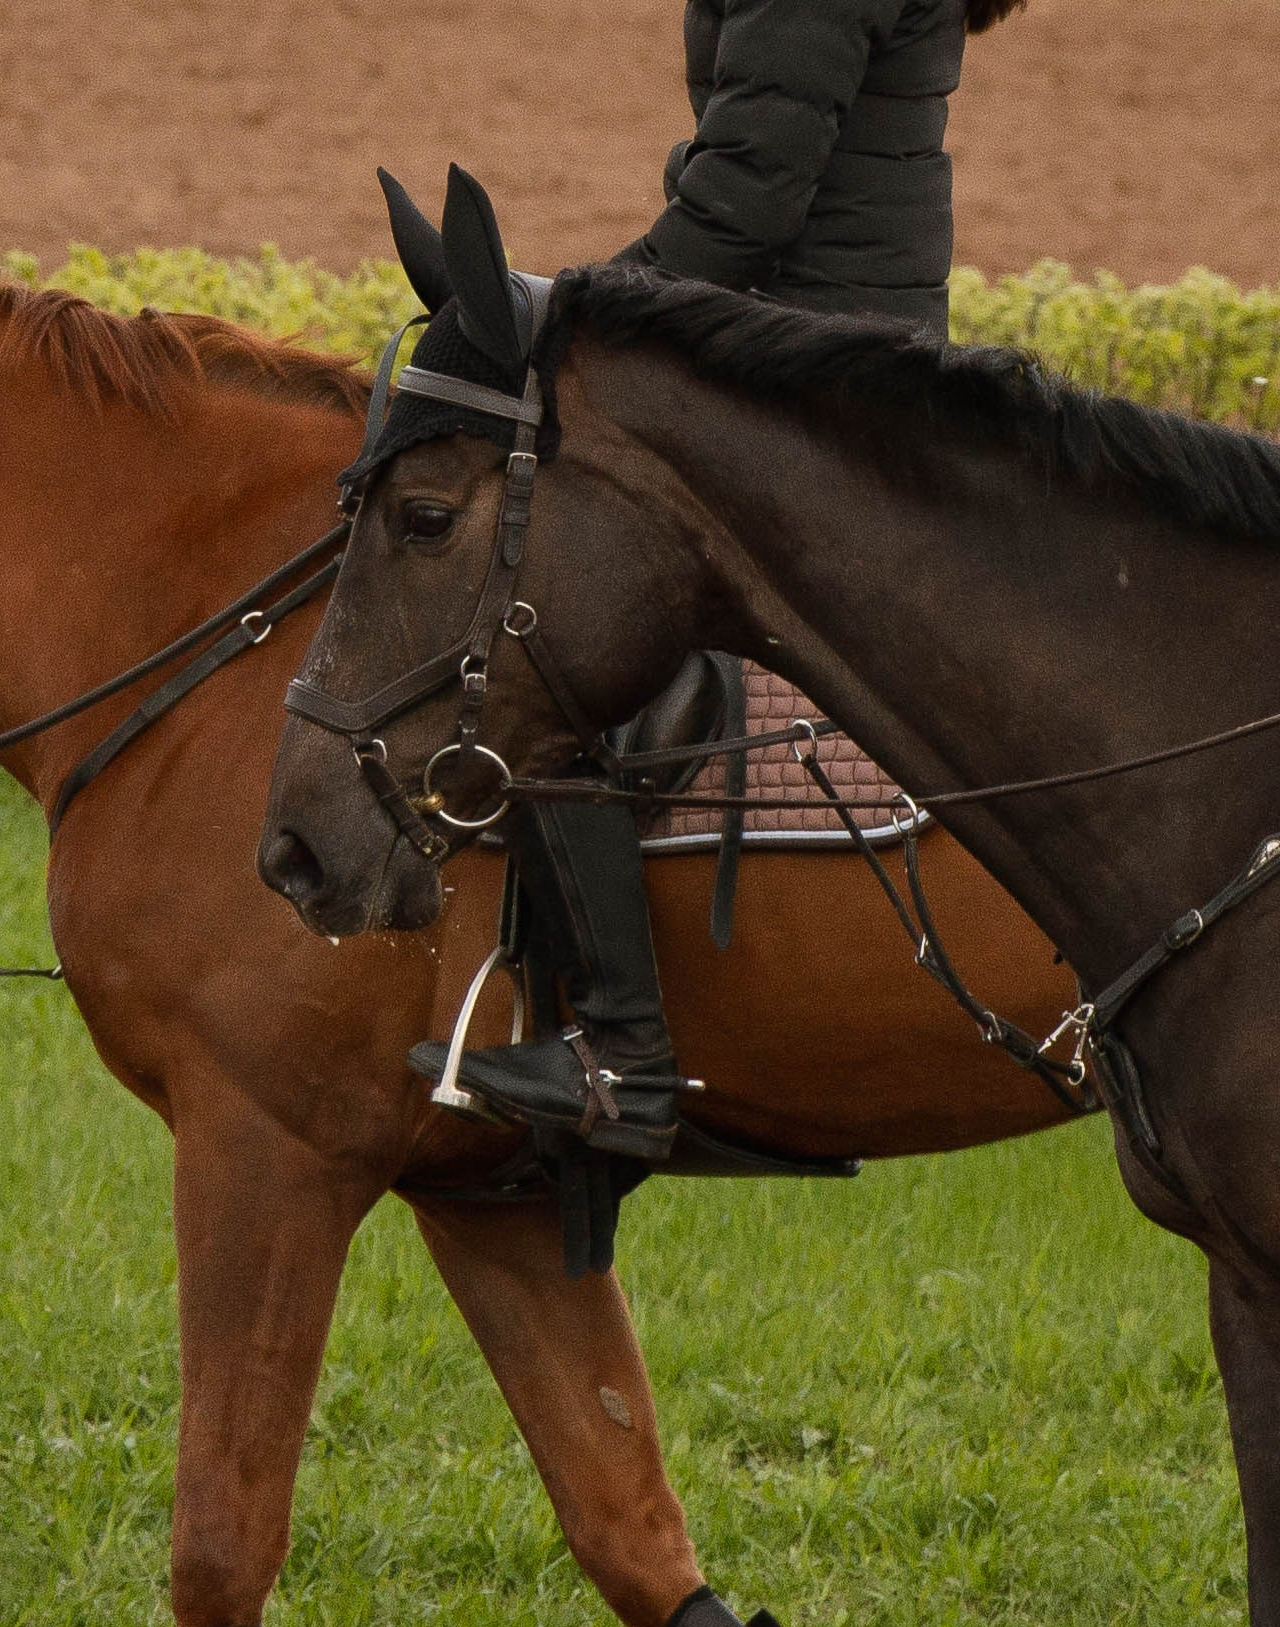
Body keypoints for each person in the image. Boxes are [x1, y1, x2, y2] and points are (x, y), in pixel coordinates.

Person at [422, 0, 1028, 1292]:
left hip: (807, 381)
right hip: (821, 354)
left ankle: (622, 1060)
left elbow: (746, 198)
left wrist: (565, 314)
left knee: (554, 623)